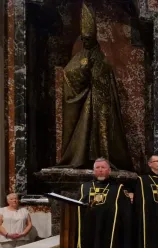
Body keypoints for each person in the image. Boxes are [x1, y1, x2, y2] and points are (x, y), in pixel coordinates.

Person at [57, 4, 132, 170]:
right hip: (86, 103)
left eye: (89, 38)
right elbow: (69, 74)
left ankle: (103, 159)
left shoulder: (101, 59)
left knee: (103, 135)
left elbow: (107, 81)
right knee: (84, 132)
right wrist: (83, 74)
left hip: (102, 105)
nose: (87, 41)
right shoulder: (81, 57)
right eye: (84, 39)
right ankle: (80, 157)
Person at [74, 158, 133, 248]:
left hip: (110, 231)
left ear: (109, 170)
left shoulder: (118, 189)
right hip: (89, 231)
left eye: (103, 167)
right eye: (97, 167)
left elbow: (126, 212)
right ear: (94, 171)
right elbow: (77, 209)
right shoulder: (84, 188)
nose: (100, 170)